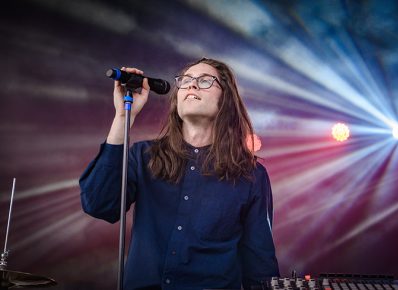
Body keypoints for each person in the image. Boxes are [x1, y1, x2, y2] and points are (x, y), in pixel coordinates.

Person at [80, 58, 280, 290]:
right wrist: (123, 118)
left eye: (205, 81)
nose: (192, 86)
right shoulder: (144, 155)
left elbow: (259, 262)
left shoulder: (251, 175)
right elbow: (98, 204)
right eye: (185, 81)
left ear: (225, 99)